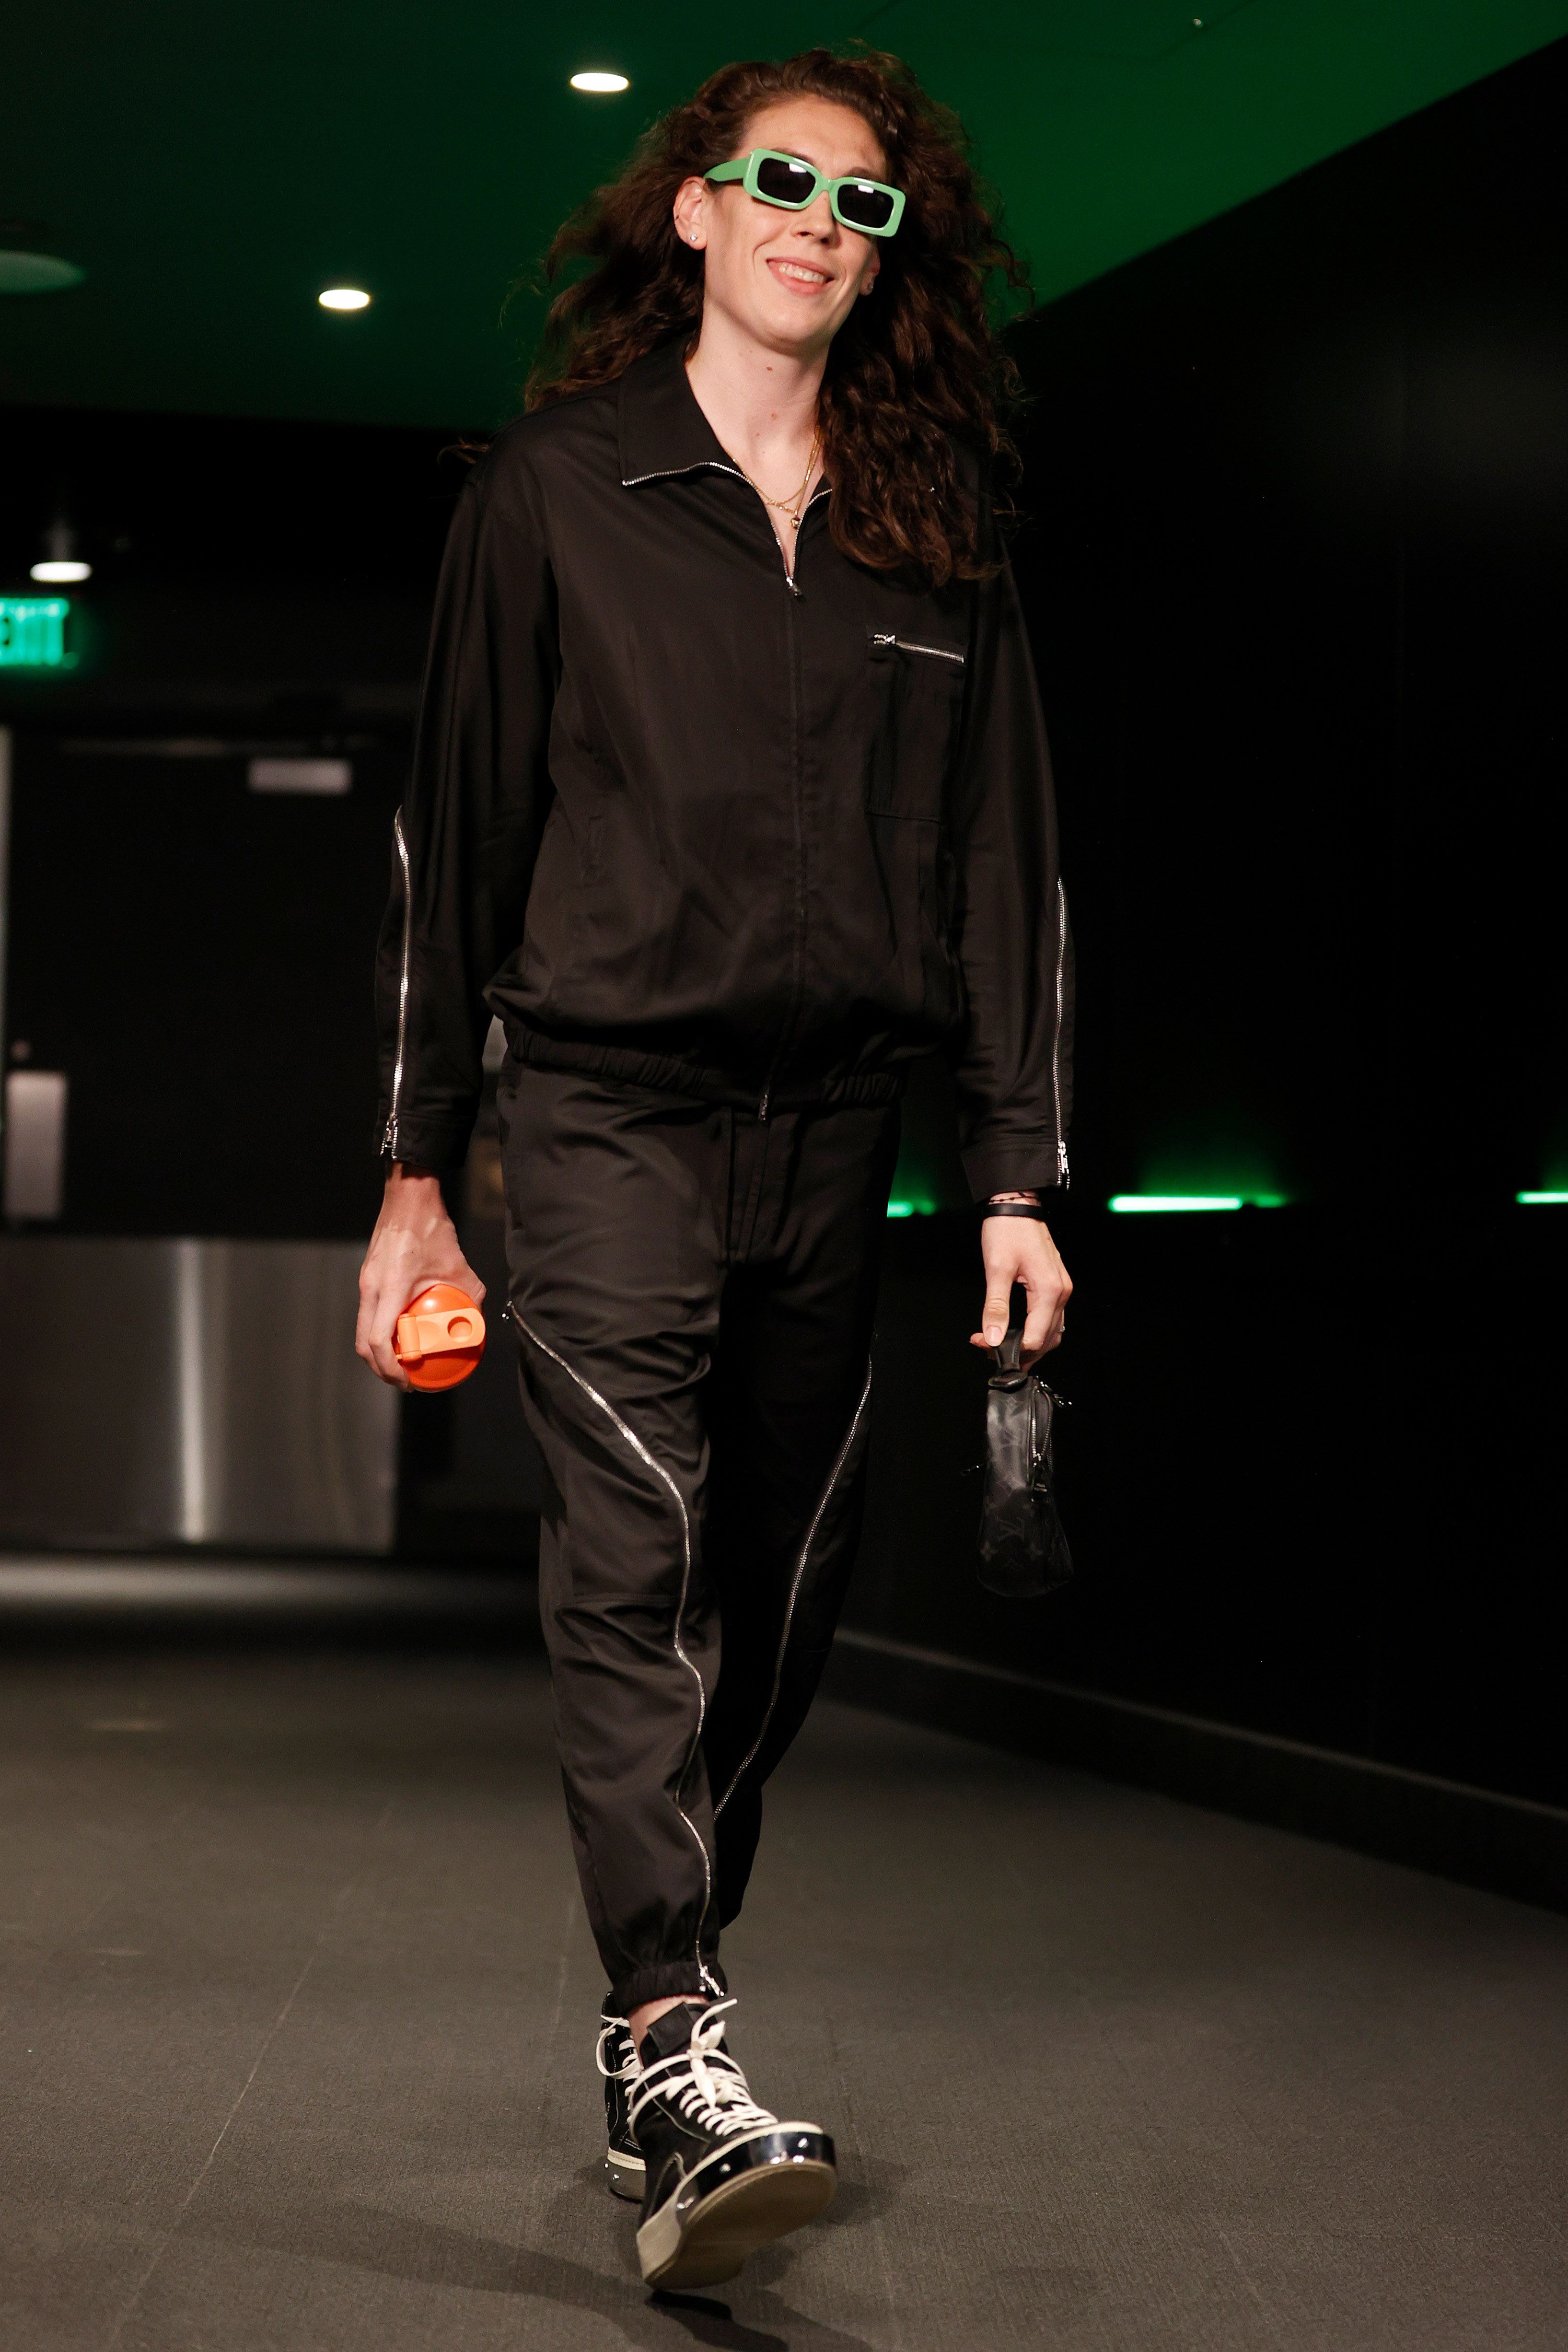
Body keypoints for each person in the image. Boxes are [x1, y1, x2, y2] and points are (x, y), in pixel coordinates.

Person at [355, 44, 1073, 2293]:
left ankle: (669, 2020)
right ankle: (676, 2041)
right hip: (599, 1114)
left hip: (832, 1139)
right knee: (637, 1561)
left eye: (862, 207)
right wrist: (412, 1172)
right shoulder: (559, 491)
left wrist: (1018, 1172)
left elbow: (999, 868)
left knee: (771, 1602)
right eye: (780, 183)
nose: (816, 225)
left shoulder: (929, 517)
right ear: (690, 206)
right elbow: (454, 838)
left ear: (886, 256)